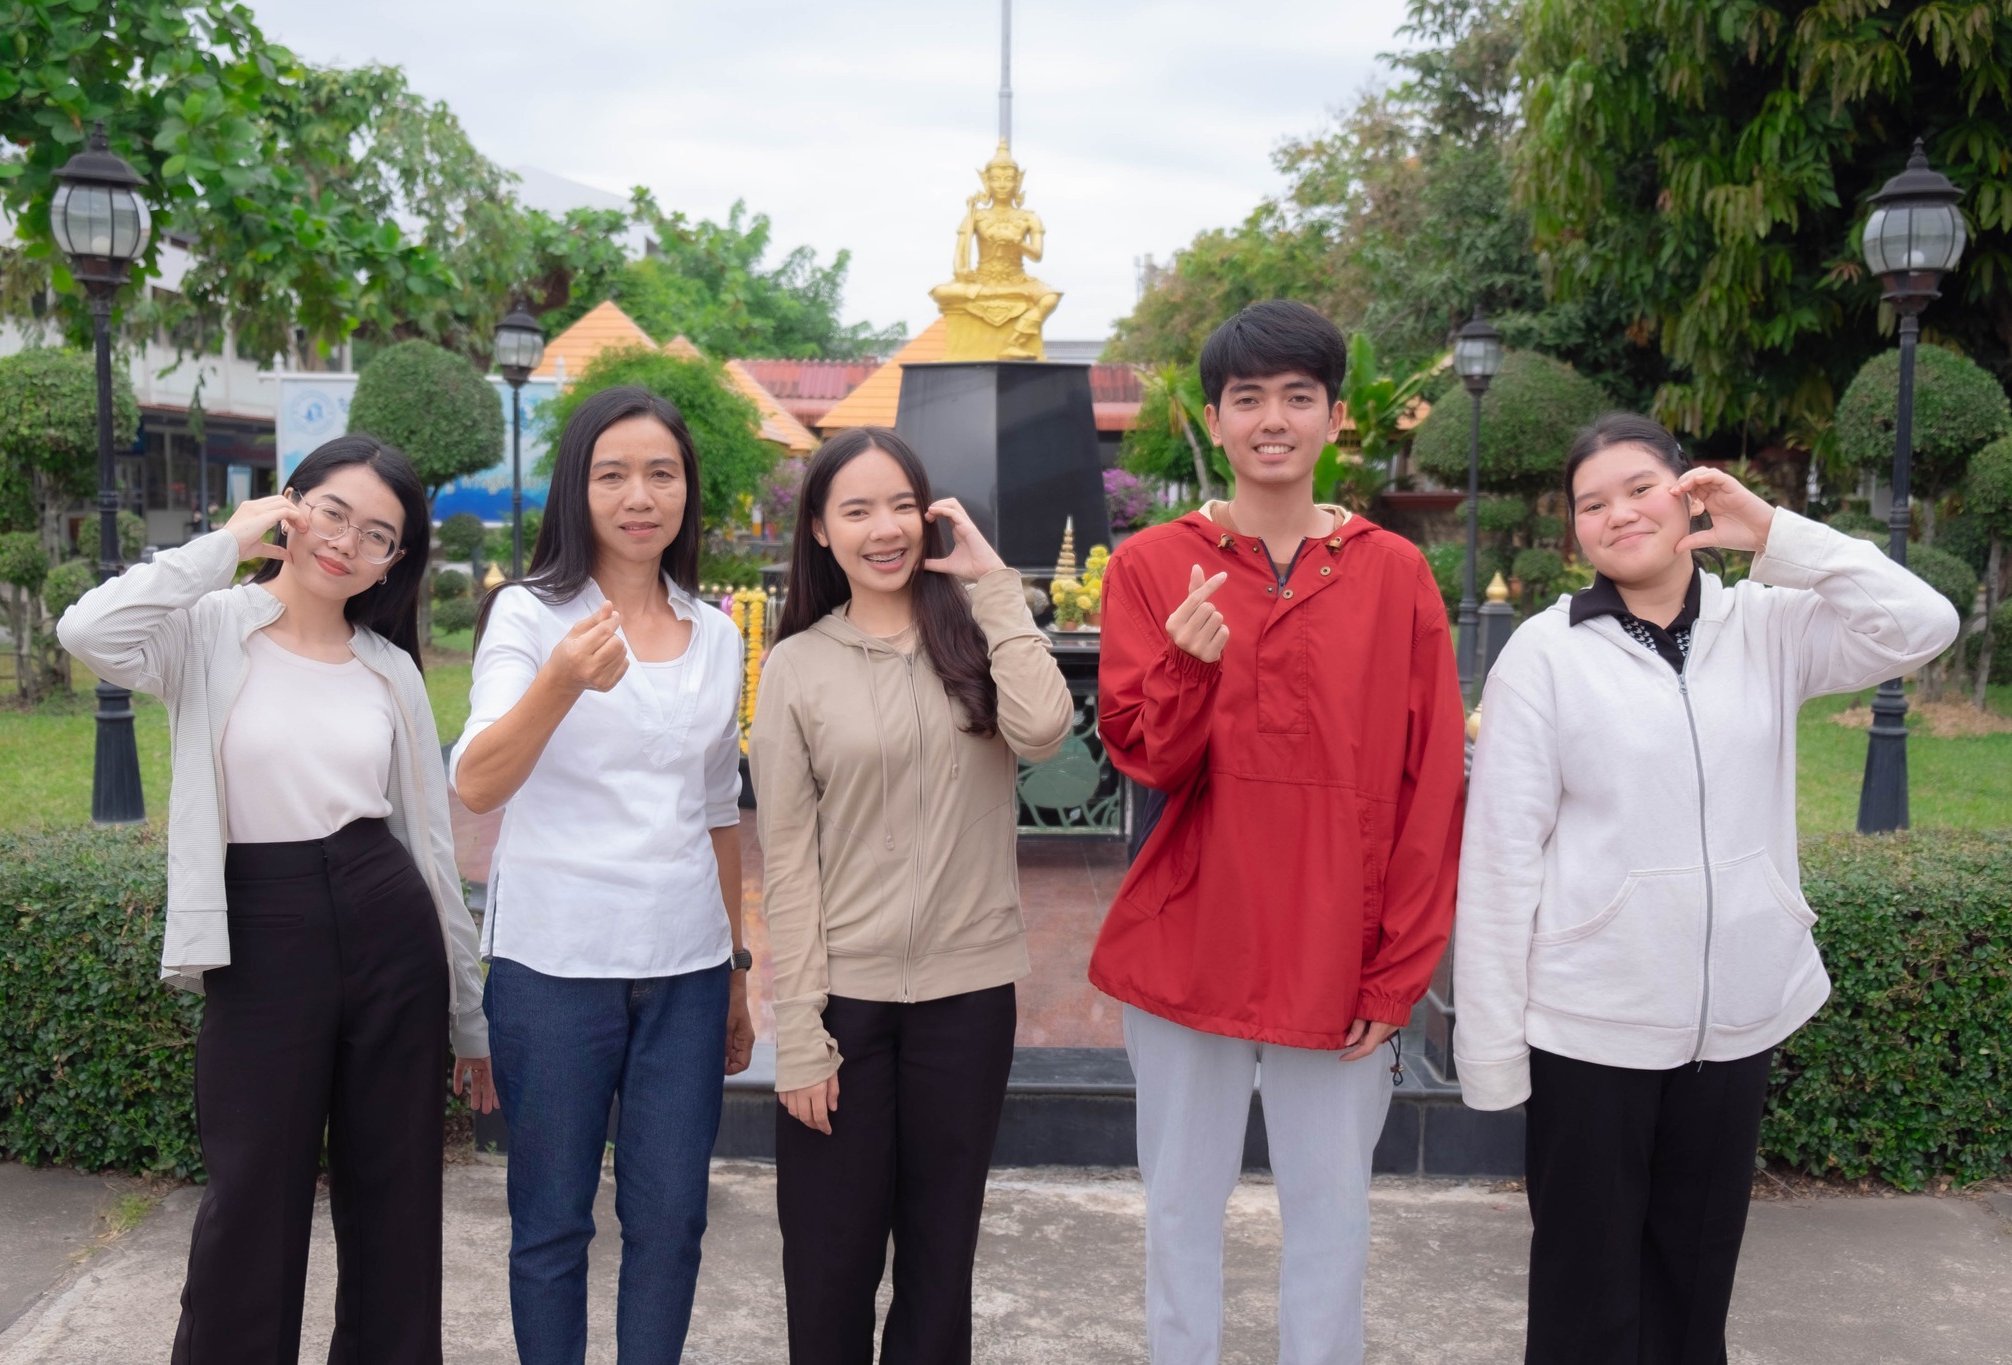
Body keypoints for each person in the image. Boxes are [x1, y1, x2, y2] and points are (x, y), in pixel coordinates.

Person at [1453, 413, 1961, 1364]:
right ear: (1574, 532)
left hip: (1732, 1025)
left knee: (1693, 1302)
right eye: (1591, 503)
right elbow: (1500, 857)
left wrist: (1775, 531)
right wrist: (1490, 1053)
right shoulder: (1544, 653)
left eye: (1641, 486)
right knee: (1584, 1306)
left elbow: (1924, 624)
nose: (1619, 513)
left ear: (1689, 491)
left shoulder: (1767, 626)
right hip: (1590, 1027)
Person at [58, 435, 494, 1364]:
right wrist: (231, 539)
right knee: (252, 1197)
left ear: (395, 560)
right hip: (262, 926)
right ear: (292, 505)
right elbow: (87, 632)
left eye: (378, 534)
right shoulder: (208, 628)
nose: (346, 543)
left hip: (388, 919)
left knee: (396, 1202)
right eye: (332, 512)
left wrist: (470, 1017)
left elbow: (427, 842)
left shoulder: (390, 668)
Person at [1087, 300, 1466, 1365]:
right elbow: (1144, 760)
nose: (1271, 419)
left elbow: (1430, 786)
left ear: (1334, 418)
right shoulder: (1155, 566)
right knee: (1177, 1209)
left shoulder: (1391, 573)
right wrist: (1185, 665)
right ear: (1213, 420)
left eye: (1297, 397)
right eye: (1246, 398)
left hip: (1335, 957)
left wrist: (1395, 975)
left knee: (1330, 1217)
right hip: (1190, 939)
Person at [749, 426, 1074, 1364]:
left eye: (901, 504)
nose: (883, 528)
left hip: (966, 1004)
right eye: (856, 510)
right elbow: (789, 861)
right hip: (844, 1007)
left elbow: (1048, 730)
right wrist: (800, 1033)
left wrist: (995, 585)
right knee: (828, 1265)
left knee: (940, 1267)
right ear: (820, 530)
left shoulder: (974, 637)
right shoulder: (798, 666)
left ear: (928, 513)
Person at [450, 387, 754, 1365]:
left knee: (671, 1223)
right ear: (575, 492)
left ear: (685, 492)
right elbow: (477, 779)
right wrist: (559, 682)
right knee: (551, 1223)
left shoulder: (715, 634)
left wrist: (738, 972)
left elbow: (716, 811)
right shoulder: (529, 617)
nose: (638, 496)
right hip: (552, 968)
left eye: (660, 473)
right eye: (612, 473)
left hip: (686, 970)